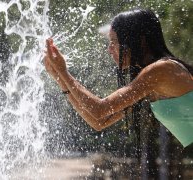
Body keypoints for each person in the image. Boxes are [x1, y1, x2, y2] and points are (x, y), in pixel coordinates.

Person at [44, 9, 193, 147]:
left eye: (114, 42)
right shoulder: (151, 81)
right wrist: (59, 78)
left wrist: (64, 72)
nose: (109, 49)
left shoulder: (161, 70)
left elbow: (99, 109)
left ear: (140, 40)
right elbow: (99, 122)